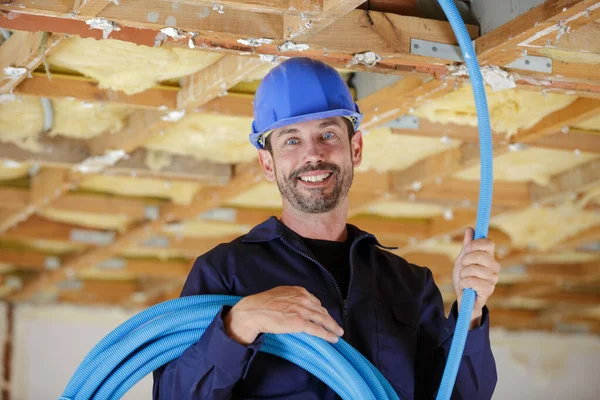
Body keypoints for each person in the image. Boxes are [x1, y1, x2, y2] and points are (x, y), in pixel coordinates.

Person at [153, 57, 499, 399]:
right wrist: (240, 324)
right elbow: (174, 395)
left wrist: (472, 313)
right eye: (292, 140)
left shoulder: (409, 283)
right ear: (268, 164)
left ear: (356, 148)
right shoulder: (225, 272)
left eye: (328, 134)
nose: (313, 154)